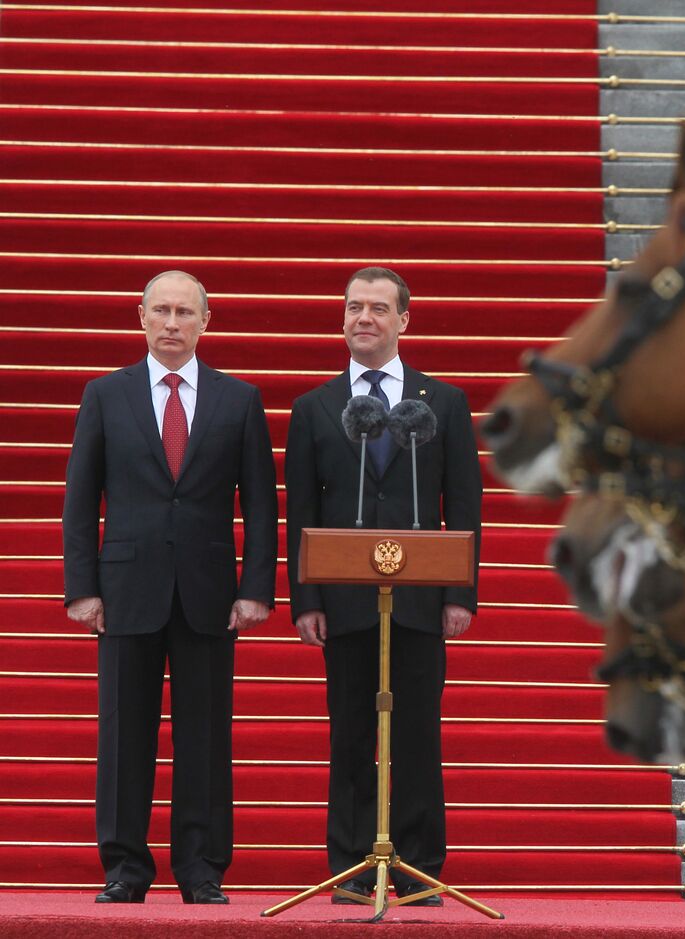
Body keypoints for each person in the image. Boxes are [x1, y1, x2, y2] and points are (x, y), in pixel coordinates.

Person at [62, 271, 278, 904]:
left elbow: (261, 506)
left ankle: (201, 866)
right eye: (162, 311)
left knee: (206, 735)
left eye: (186, 312)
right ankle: (125, 867)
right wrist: (82, 586)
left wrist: (256, 586)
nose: (173, 322)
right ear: (141, 317)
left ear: (205, 322)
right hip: (125, 588)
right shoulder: (106, 395)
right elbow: (80, 498)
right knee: (124, 735)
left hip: (210, 591)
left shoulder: (239, 400)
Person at [284, 267, 482, 905]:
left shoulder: (443, 401)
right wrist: (306, 597)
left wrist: (460, 592)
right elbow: (302, 513)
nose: (362, 318)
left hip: (422, 597)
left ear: (404, 320)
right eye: (352, 307)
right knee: (349, 733)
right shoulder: (314, 407)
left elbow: (467, 503)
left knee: (419, 733)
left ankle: (419, 868)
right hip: (344, 600)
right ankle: (348, 865)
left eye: (376, 308)